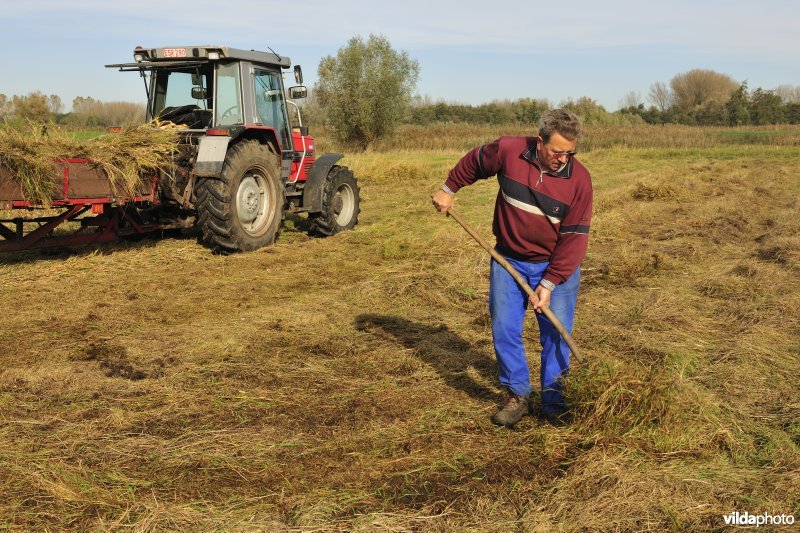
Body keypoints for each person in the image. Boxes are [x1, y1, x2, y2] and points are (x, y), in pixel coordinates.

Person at [431, 109, 592, 427]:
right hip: (509, 260)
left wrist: (549, 283)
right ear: (540, 142)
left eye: (569, 153)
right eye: (557, 152)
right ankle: (517, 395)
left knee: (556, 336)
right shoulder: (508, 150)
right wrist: (448, 189)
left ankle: (554, 402)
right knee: (505, 328)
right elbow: (475, 161)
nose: (563, 159)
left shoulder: (579, 181)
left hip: (556, 266)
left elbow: (574, 240)